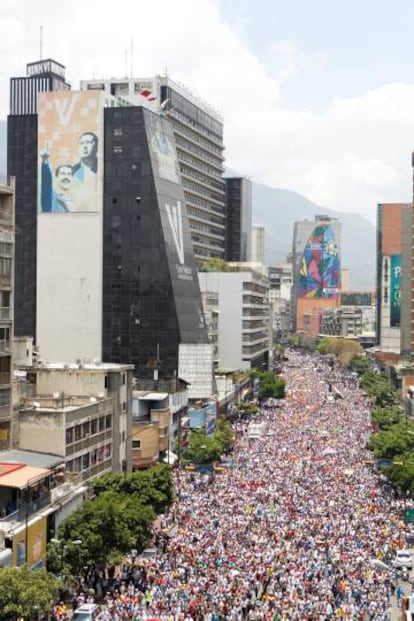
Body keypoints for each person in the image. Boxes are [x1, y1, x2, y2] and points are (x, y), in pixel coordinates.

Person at [40, 146, 73, 213]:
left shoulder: (75, 198)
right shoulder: (51, 197)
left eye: (69, 174)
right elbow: (46, 183)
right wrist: (45, 161)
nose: (66, 177)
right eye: (63, 174)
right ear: (56, 177)